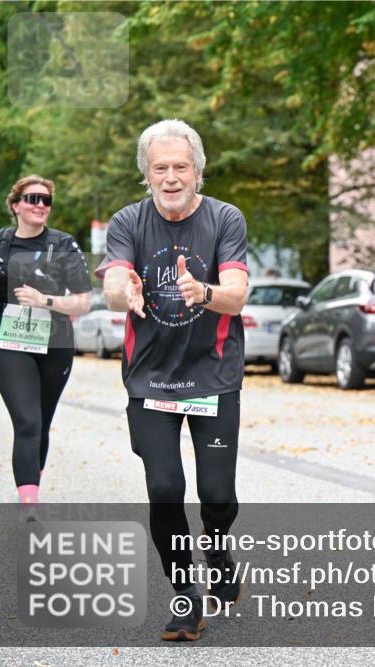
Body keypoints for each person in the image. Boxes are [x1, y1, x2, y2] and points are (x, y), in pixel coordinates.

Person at [96, 119, 249, 641]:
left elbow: (236, 294)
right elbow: (115, 281)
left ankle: (218, 546)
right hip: (151, 380)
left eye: (180, 166)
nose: (170, 177)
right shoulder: (128, 221)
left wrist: (201, 291)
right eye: (159, 167)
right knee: (164, 489)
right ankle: (185, 595)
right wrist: (126, 291)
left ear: (198, 171)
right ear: (147, 173)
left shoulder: (226, 219)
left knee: (218, 496)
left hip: (214, 373)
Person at [0, 175, 91, 520]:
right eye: (32, 198)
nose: (40, 205)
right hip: (9, 339)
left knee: (40, 422)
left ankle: (30, 486)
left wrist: (47, 300)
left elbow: (84, 303)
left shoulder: (64, 244)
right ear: (16, 205)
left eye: (46, 200)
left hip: (55, 341)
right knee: (27, 422)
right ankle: (30, 507)